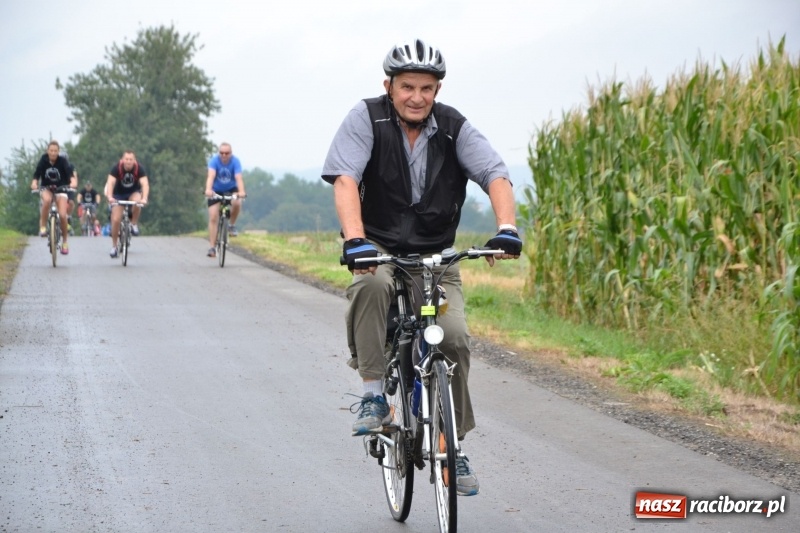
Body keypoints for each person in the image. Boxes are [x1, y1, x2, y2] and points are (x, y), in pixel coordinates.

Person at [322, 39, 523, 496]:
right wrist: (355, 240)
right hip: (377, 246)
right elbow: (346, 179)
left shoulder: (453, 127)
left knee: (452, 337)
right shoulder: (366, 118)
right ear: (389, 87)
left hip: (435, 254)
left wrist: (507, 228)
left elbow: (495, 174)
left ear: (437, 90)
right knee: (371, 288)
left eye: (426, 88)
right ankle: (374, 396)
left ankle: (452, 445)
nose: (417, 97)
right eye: (407, 87)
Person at [30, 140, 77, 255]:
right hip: (46, 188)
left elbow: (70, 174)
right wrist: (34, 183)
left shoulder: (63, 161)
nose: (53, 153)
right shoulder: (43, 159)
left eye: (55, 151)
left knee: (63, 215)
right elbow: (37, 174)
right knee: (46, 200)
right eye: (51, 151)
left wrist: (73, 183)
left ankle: (65, 242)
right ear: (48, 151)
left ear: (58, 151)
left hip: (61, 189)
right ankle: (43, 227)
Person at [204, 142, 246, 258]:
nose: (224, 155)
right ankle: (212, 248)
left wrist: (242, 192)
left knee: (237, 202)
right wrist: (208, 190)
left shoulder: (235, 161)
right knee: (213, 217)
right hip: (216, 190)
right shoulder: (214, 161)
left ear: (231, 153)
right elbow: (211, 176)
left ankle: (231, 225)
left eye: (227, 153)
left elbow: (238, 178)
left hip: (231, 189)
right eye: (221, 153)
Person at [104, 150, 149, 258]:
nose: (128, 162)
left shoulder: (139, 168)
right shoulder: (116, 168)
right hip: (118, 195)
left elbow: (145, 184)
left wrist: (144, 198)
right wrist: (110, 197)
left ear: (134, 161)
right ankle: (114, 247)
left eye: (131, 159)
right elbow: (110, 182)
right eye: (127, 159)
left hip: (133, 193)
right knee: (115, 219)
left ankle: (133, 224)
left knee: (137, 201)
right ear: (122, 160)